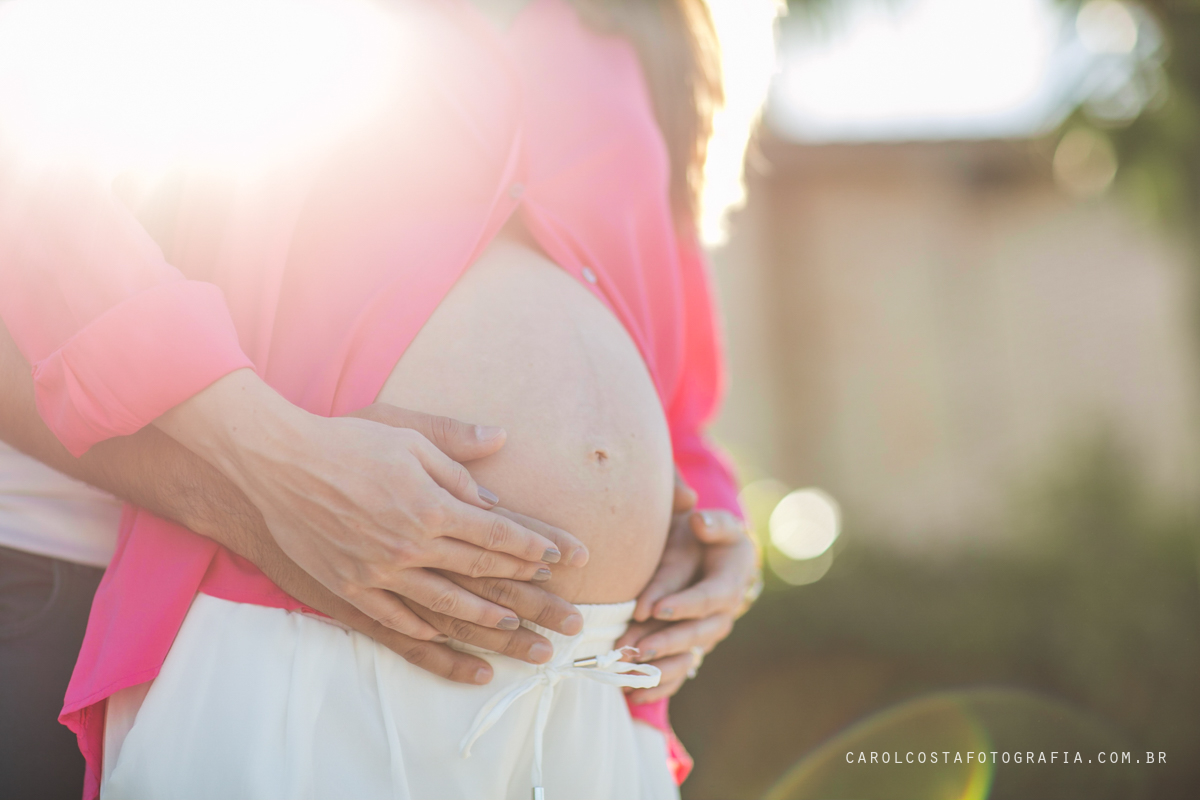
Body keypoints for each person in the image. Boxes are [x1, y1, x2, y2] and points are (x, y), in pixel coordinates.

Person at [0, 0, 763, 797]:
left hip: (595, 682)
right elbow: (41, 208)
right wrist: (272, 452)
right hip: (299, 623)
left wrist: (716, 530)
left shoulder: (640, 27)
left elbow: (671, 363)